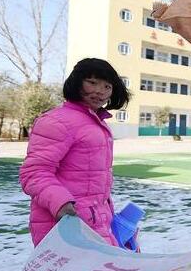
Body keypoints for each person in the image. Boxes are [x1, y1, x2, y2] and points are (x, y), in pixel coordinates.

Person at [19, 58, 130, 247]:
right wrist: (61, 204)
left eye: (107, 86)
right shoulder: (57, 121)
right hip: (65, 222)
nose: (99, 91)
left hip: (96, 220)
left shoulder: (97, 122)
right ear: (77, 82)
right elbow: (34, 173)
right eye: (92, 82)